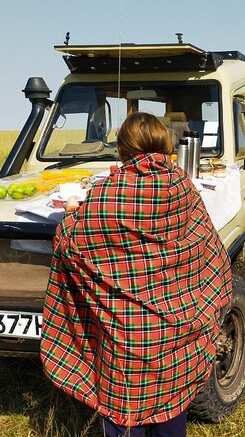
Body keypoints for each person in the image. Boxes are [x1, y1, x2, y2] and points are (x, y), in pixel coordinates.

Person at [40, 112, 233, 437]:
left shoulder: (106, 194)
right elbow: (208, 248)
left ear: (122, 150)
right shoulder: (182, 187)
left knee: (122, 425)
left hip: (123, 351)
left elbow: (72, 245)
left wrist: (72, 214)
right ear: (165, 145)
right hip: (176, 349)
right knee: (171, 425)